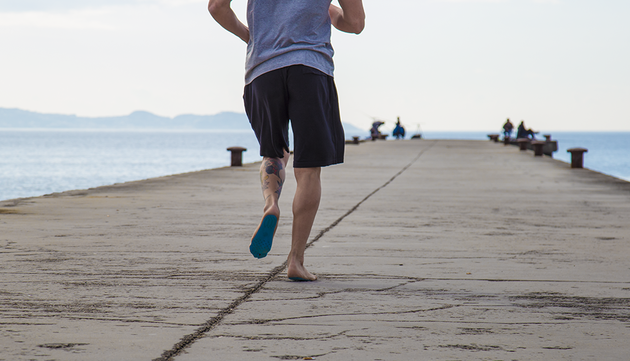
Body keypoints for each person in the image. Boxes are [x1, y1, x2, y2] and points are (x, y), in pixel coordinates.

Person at [208, 0, 365, 281]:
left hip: (262, 71)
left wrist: (252, 36)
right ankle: (296, 260)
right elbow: (355, 24)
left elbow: (217, 6)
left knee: (274, 152)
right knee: (308, 169)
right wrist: (330, 11)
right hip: (310, 68)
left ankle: (271, 204)